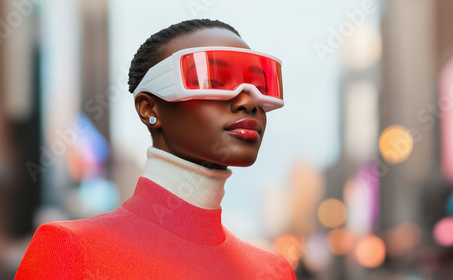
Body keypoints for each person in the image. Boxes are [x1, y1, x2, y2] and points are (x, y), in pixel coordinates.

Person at [15, 19, 294, 279]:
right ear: (149, 108)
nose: (248, 101)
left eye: (259, 84)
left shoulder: (273, 270)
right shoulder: (70, 249)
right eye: (214, 79)